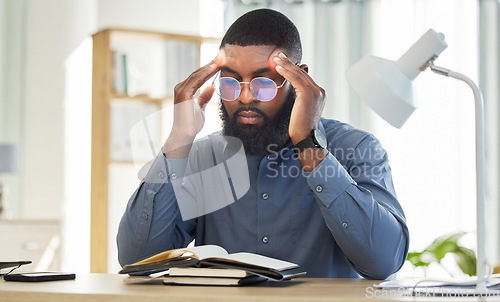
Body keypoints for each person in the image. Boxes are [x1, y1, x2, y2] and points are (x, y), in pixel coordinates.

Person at [117, 8, 409, 279]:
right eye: (230, 83)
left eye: (264, 84)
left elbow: (383, 262)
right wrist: (179, 139)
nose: (244, 98)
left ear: (299, 79)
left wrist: (309, 146)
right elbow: (138, 259)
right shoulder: (202, 156)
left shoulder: (356, 149)